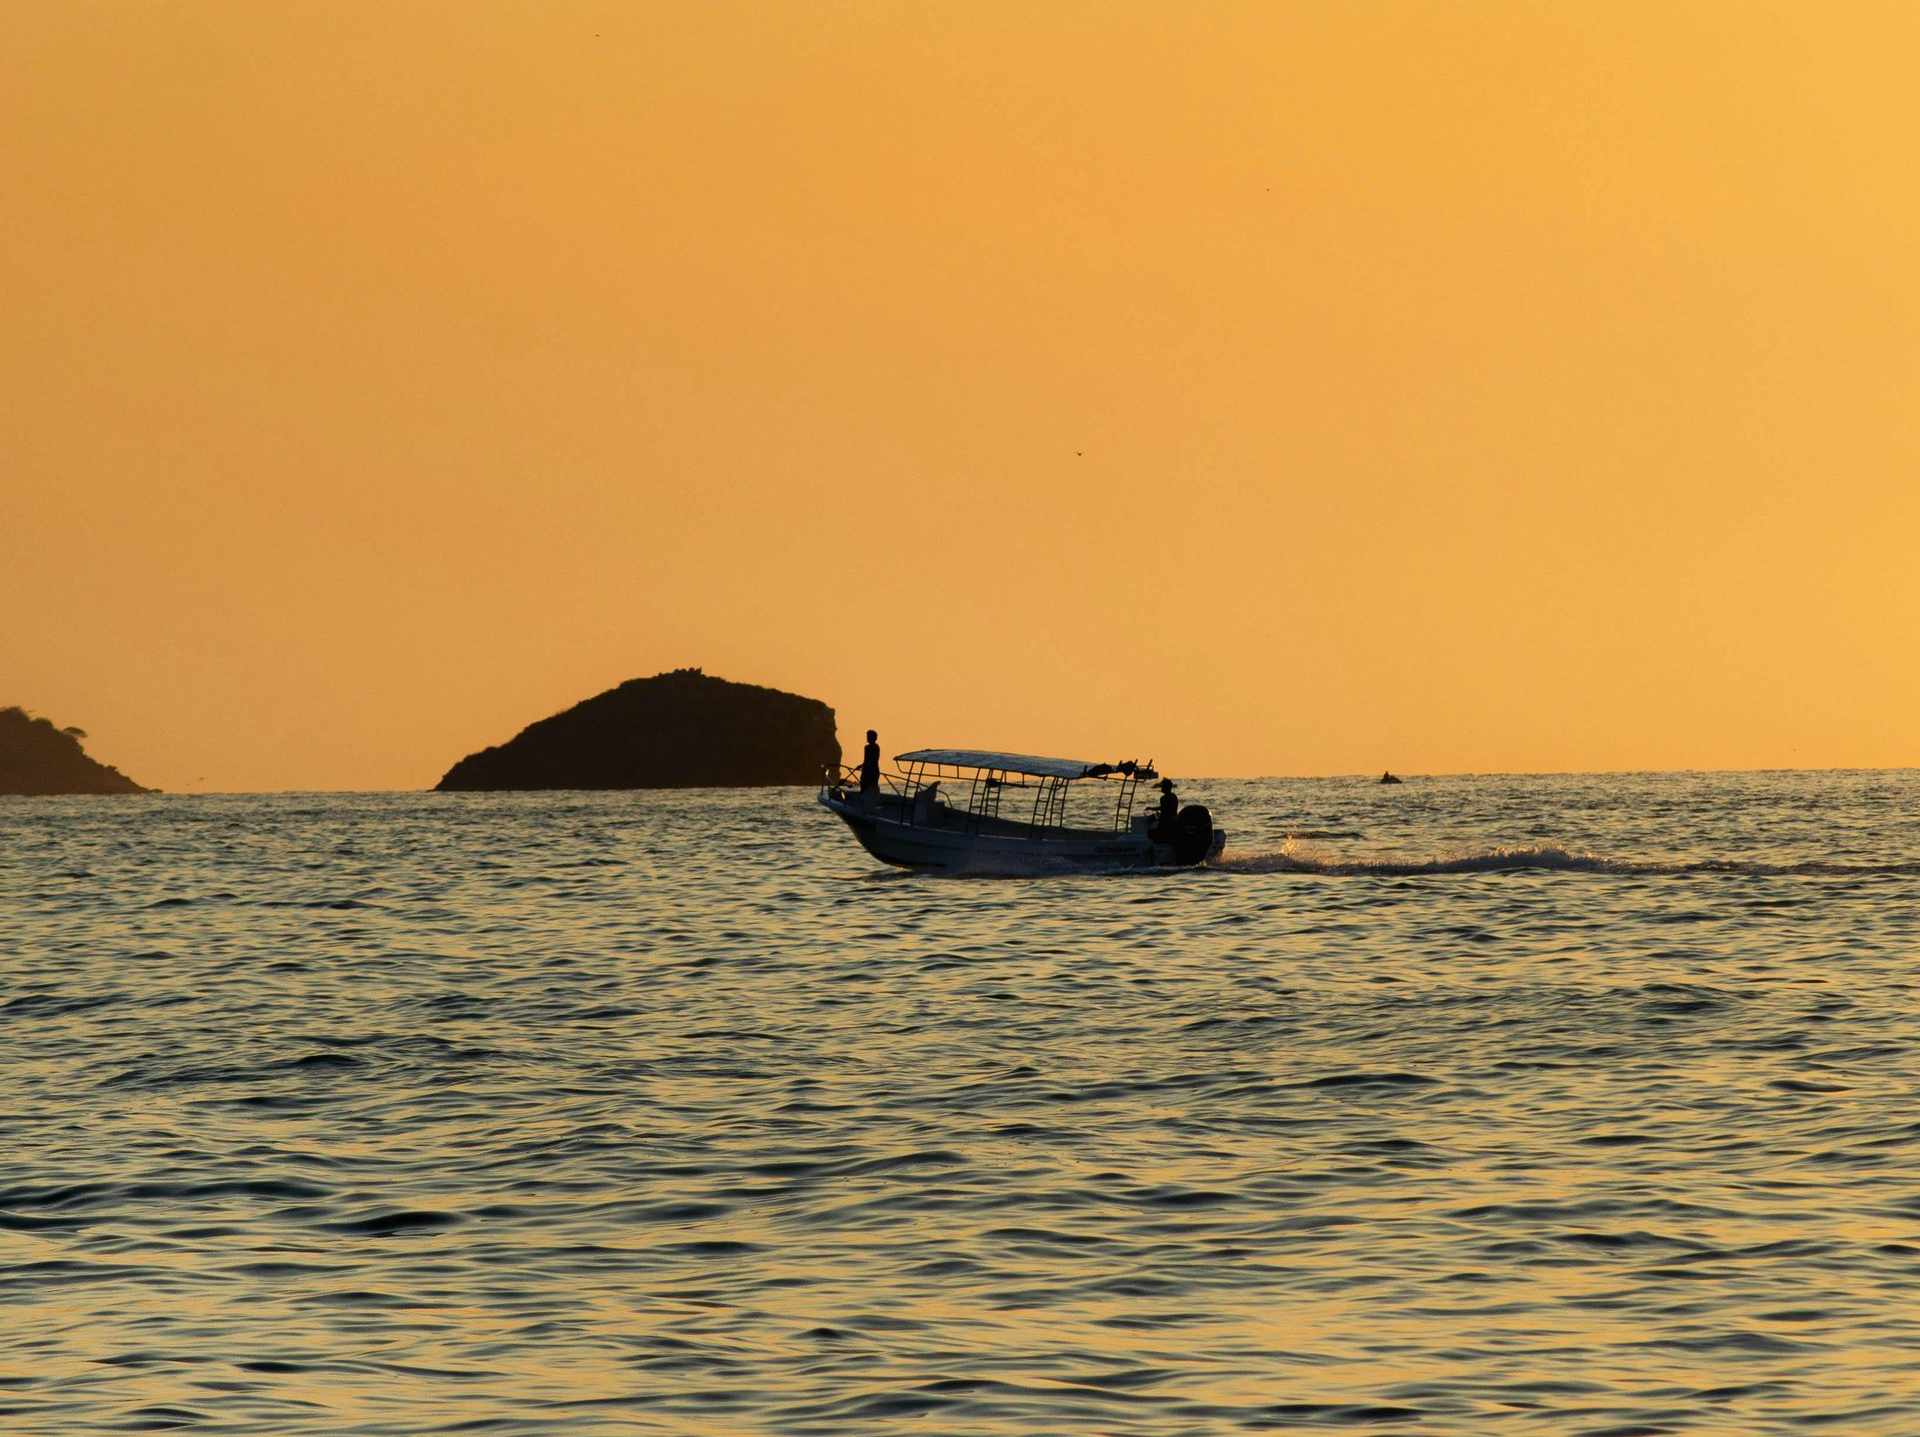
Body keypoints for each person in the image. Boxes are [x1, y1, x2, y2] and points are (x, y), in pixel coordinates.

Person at [859, 730, 881, 808]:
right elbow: (871, 760)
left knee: (864, 787)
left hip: (869, 771)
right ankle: (872, 803)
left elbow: (867, 760)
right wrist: (862, 765)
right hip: (875, 770)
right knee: (873, 787)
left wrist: (863, 766)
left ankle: (864, 805)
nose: (867, 738)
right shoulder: (877, 747)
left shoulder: (868, 747)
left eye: (868, 736)